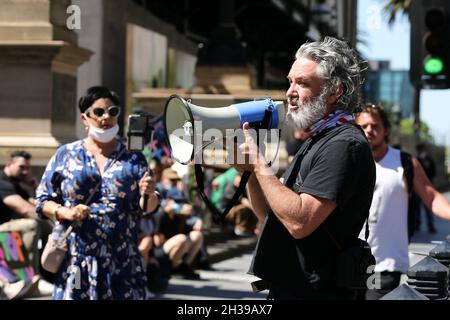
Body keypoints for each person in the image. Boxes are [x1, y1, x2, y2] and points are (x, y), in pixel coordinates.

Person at [230, 37, 375, 300]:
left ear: (334, 91)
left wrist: (260, 164)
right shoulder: (317, 139)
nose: (290, 92)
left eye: (303, 83)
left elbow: (300, 222)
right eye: (290, 81)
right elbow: (271, 218)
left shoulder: (343, 144)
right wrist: (250, 172)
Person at [35, 86, 159, 300]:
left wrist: (149, 193)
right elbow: (43, 200)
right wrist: (64, 211)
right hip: (77, 258)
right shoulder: (66, 154)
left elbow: (147, 207)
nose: (106, 117)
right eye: (99, 112)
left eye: (113, 111)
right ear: (85, 118)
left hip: (122, 259)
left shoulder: (133, 157)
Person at [355, 104, 450, 300]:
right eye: (363, 126)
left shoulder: (403, 162)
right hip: (348, 263)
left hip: (384, 264)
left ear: (386, 129)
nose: (369, 130)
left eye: (375, 126)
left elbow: (431, 197)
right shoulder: (349, 160)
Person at [0, 150, 53, 297]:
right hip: (2, 231)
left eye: (27, 168)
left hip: (5, 229)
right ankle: (32, 277)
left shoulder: (15, 184)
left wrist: (36, 186)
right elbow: (25, 209)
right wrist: (53, 220)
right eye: (22, 167)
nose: (25, 171)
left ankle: (47, 273)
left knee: (44, 225)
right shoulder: (2, 182)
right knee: (31, 224)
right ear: (9, 164)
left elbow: (37, 204)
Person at [153, 168, 203, 280]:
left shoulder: (177, 194)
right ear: (164, 179)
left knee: (196, 235)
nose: (174, 183)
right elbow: (157, 240)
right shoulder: (159, 194)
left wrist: (197, 220)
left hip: (176, 237)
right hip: (161, 243)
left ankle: (183, 266)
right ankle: (170, 268)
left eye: (175, 180)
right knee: (181, 238)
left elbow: (188, 210)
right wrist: (170, 209)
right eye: (171, 180)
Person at [414, 143, 437, 234]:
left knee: (428, 206)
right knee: (417, 207)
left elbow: (434, 173)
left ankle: (430, 225)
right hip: (418, 187)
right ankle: (417, 224)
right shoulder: (416, 160)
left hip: (427, 187)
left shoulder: (430, 160)